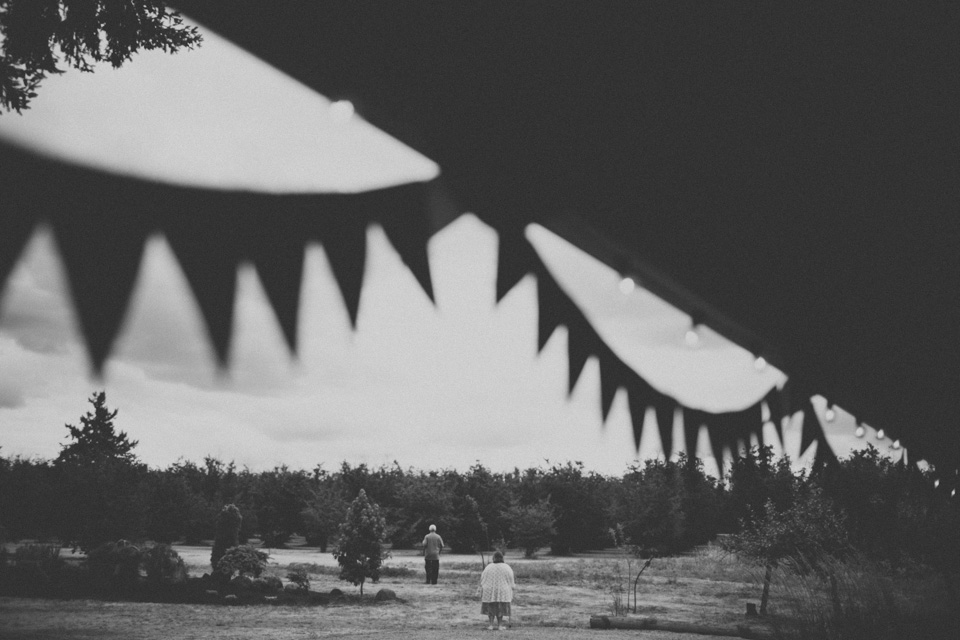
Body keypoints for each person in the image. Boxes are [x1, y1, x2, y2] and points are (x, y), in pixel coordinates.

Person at [479, 550, 515, 630]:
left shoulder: (488, 567)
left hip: (489, 590)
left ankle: (491, 625)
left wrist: (481, 588)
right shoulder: (507, 567)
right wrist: (512, 587)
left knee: (491, 607)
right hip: (502, 590)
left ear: (493, 558)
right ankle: (500, 625)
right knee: (500, 607)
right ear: (502, 558)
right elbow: (511, 579)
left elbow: (482, 579)